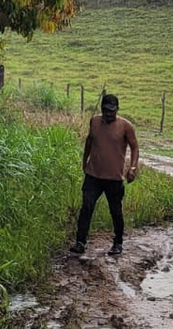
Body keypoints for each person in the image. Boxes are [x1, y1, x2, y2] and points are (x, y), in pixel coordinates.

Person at [69, 93, 139, 256]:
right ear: (102, 109)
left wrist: (133, 168)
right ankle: (80, 242)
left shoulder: (125, 126)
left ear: (117, 110)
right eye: (106, 110)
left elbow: (135, 147)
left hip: (114, 179)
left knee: (115, 211)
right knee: (86, 207)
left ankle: (118, 243)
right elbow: (89, 141)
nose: (108, 114)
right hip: (93, 176)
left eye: (112, 111)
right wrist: (84, 160)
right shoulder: (94, 121)